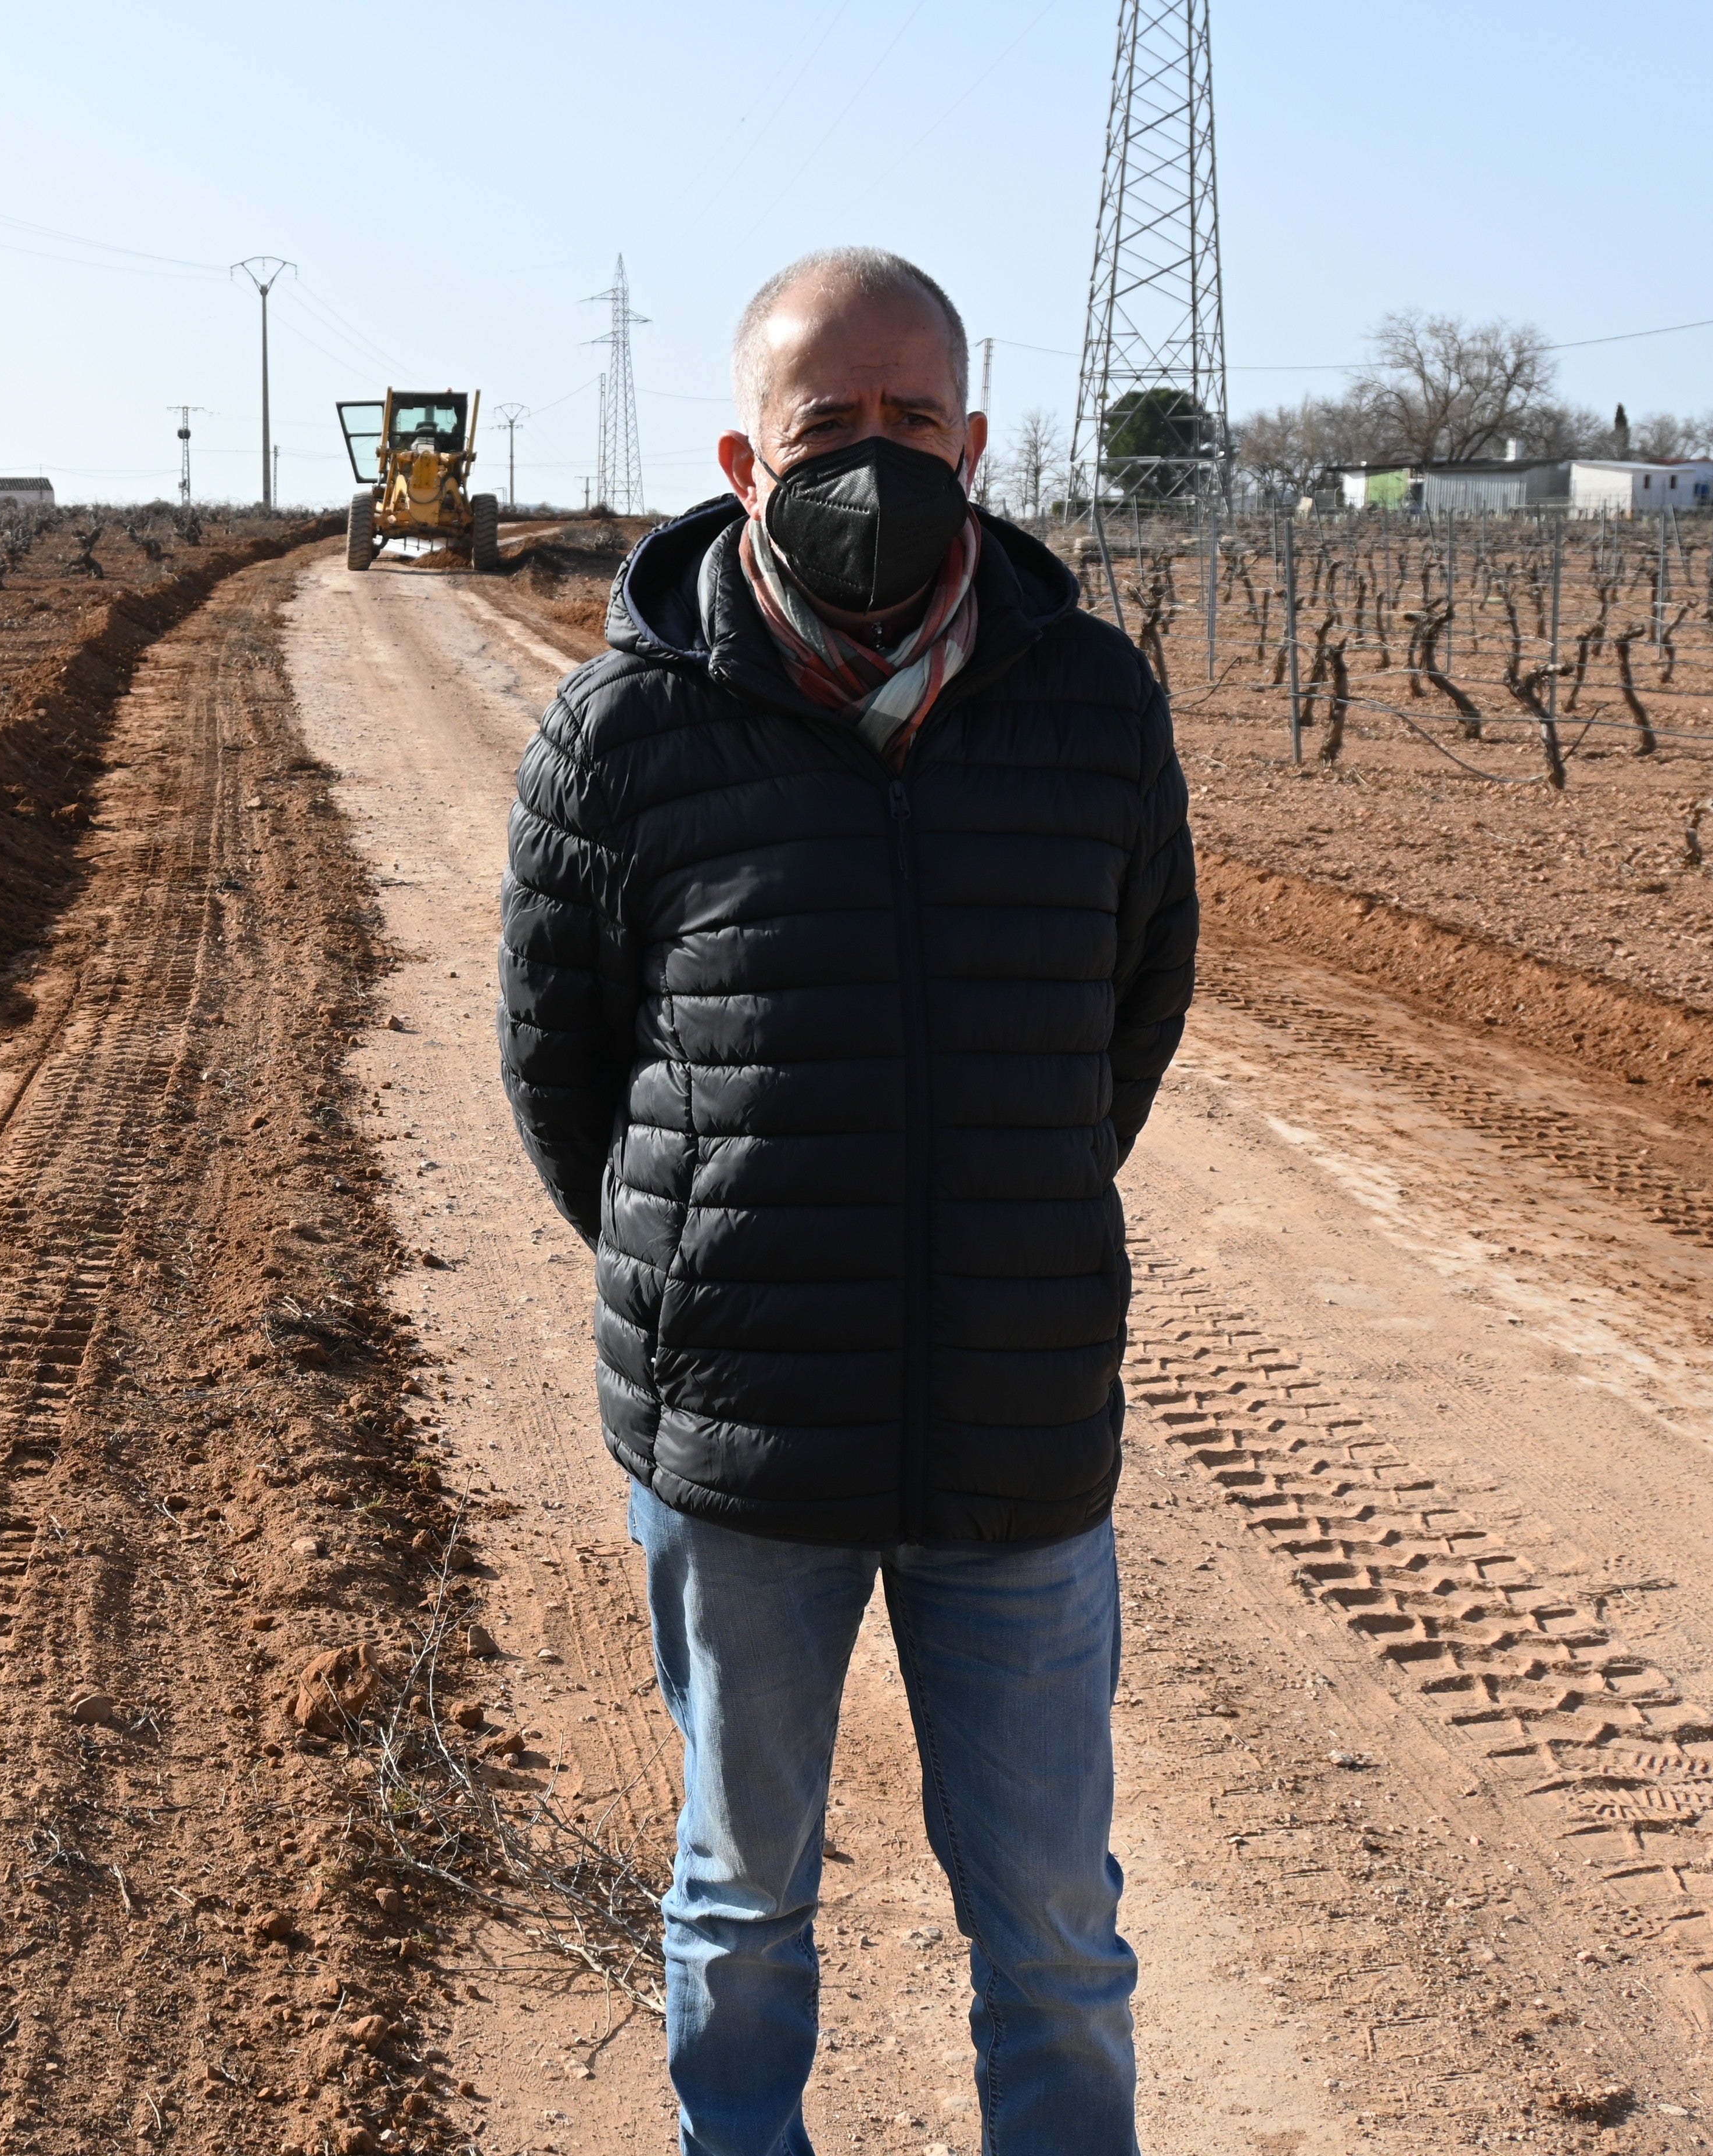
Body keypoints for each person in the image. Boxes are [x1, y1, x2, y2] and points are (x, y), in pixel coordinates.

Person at [496, 246, 1197, 2155]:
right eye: (828, 427)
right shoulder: (625, 731)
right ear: (744, 458)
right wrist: (711, 1260)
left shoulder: (1089, 705)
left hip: (1013, 1426)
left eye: (913, 419)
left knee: (1054, 1930)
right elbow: (564, 1073)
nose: (874, 459)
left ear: (975, 445)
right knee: (741, 1905)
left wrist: (1005, 1206)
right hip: (743, 1441)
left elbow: (1128, 1016)